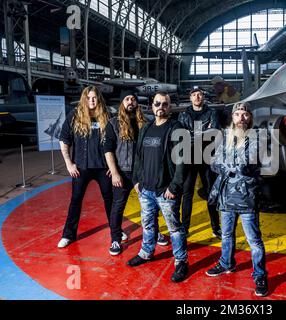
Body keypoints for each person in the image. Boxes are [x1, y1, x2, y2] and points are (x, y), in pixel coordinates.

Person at [205, 102, 268, 297]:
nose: (241, 117)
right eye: (237, 114)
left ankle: (259, 274)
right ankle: (226, 263)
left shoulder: (258, 137)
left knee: (254, 240)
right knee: (226, 235)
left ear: (250, 118)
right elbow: (214, 164)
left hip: (247, 197)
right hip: (225, 196)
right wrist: (228, 165)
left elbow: (246, 164)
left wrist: (228, 165)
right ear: (232, 117)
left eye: (245, 114)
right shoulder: (225, 138)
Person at [128, 91, 188, 283]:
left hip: (165, 190)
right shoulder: (146, 128)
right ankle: (146, 252)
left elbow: (182, 161)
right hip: (145, 189)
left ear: (169, 107)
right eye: (157, 103)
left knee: (174, 228)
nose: (160, 107)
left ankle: (181, 261)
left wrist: (175, 186)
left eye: (164, 104)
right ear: (152, 106)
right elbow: (138, 157)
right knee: (148, 223)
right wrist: (136, 181)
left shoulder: (176, 128)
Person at [103, 91, 169, 256]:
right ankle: (115, 238)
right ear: (122, 103)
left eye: (133, 99)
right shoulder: (112, 124)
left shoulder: (145, 123)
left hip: (144, 172)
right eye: (127, 99)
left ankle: (154, 233)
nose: (130, 101)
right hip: (123, 173)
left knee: (151, 206)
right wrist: (114, 171)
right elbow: (108, 150)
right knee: (118, 206)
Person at [57, 86, 115, 248]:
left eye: (94, 97)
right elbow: (64, 139)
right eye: (88, 97)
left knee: (109, 199)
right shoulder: (74, 116)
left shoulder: (107, 116)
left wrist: (114, 165)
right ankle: (68, 235)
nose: (92, 100)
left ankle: (115, 231)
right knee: (75, 200)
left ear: (99, 99)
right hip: (81, 167)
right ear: (84, 99)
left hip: (103, 167)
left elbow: (115, 142)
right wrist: (69, 163)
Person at [178, 87, 222, 238]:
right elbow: (181, 137)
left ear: (203, 97)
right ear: (190, 98)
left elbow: (215, 134)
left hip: (207, 159)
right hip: (189, 158)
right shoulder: (183, 115)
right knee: (187, 194)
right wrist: (204, 133)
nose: (197, 97)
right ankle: (185, 228)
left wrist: (193, 134)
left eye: (200, 94)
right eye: (194, 94)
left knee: (211, 193)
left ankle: (216, 227)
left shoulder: (212, 113)